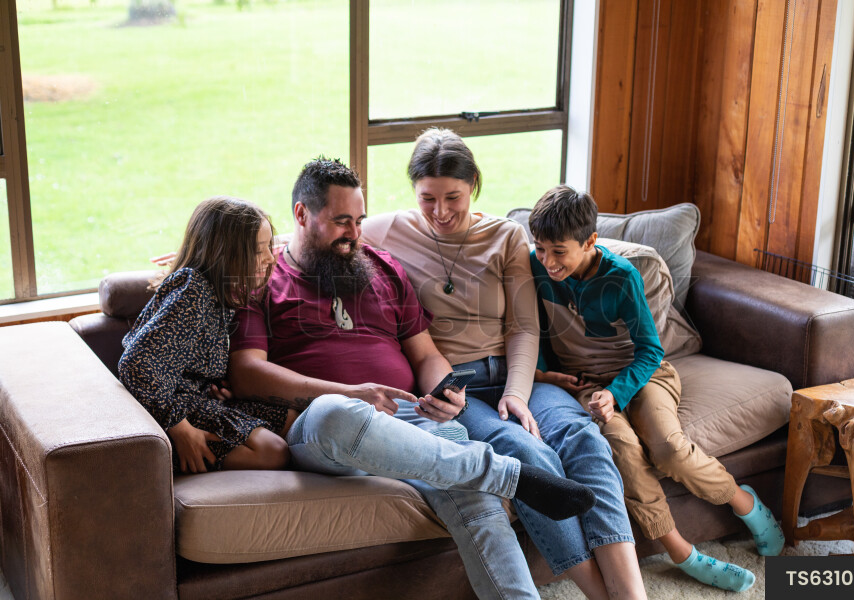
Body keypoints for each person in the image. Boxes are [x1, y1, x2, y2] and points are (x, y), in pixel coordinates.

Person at [118, 195, 593, 539]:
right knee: (291, 440)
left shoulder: (225, 295)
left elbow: (184, 360)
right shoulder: (195, 290)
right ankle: (507, 475)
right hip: (194, 412)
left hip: (213, 403)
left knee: (274, 447)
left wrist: (208, 387)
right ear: (230, 253)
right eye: (261, 249)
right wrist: (179, 426)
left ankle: (504, 477)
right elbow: (137, 362)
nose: (270, 256)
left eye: (359, 220)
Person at [226, 158, 593, 600]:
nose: (355, 234)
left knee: (477, 506)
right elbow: (246, 372)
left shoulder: (381, 268)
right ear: (302, 215)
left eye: (359, 221)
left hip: (414, 420)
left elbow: (426, 354)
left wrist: (448, 395)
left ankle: (498, 506)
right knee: (334, 413)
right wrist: (350, 392)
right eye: (342, 222)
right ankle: (507, 474)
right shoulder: (265, 279)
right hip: (326, 427)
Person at [362, 128, 646, 600]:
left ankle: (631, 594)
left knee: (584, 440)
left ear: (473, 185)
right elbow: (323, 234)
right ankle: (602, 595)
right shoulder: (388, 231)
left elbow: (524, 328)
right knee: (527, 454)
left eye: (452, 196)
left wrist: (517, 392)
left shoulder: (507, 236)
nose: (440, 211)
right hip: (458, 388)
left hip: (522, 375)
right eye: (427, 199)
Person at [527, 185, 786, 592]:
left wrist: (617, 393)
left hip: (642, 375)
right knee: (624, 454)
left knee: (666, 446)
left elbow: (651, 350)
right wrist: (545, 373)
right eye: (541, 249)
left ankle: (744, 502)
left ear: (590, 241)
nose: (547, 261)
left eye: (559, 251)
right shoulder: (536, 267)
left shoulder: (621, 277)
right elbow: (534, 330)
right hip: (586, 387)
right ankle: (683, 552)